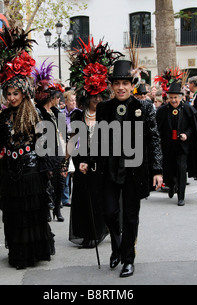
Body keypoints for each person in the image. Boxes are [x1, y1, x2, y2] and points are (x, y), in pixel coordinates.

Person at [80, 59, 163, 277]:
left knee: (130, 217)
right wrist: (88, 160)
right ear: (111, 86)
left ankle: (128, 259)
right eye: (117, 83)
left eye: (125, 83)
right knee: (109, 212)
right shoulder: (105, 108)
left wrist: (157, 169)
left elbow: (154, 138)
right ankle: (117, 245)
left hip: (134, 171)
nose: (121, 87)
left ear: (132, 84)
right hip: (110, 169)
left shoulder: (144, 107)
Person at [0, 27, 55, 269]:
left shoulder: (35, 115)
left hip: (31, 173)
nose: (12, 97)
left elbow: (46, 146)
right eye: (9, 93)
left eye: (16, 93)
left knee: (30, 214)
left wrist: (49, 169)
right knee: (14, 215)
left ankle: (31, 254)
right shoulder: (4, 117)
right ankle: (18, 252)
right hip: (11, 173)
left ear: (24, 93)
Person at [66, 38, 120, 248]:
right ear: (86, 96)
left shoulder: (108, 115)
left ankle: (100, 230)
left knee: (100, 199)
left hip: (102, 164)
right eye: (93, 97)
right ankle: (87, 232)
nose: (97, 100)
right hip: (82, 164)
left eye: (100, 96)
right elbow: (75, 141)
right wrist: (78, 161)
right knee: (83, 198)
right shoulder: (78, 116)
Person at [156, 71, 197, 206]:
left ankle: (181, 197)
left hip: (182, 146)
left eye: (176, 98)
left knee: (182, 169)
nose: (173, 100)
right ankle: (172, 185)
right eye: (171, 98)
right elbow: (157, 128)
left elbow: (192, 127)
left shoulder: (188, 109)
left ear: (181, 97)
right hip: (167, 146)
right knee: (169, 169)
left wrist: (186, 135)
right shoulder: (162, 111)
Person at [33, 61, 67, 222]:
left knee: (60, 182)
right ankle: (47, 209)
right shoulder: (39, 112)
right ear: (51, 98)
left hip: (58, 151)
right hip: (45, 151)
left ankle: (58, 209)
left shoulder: (56, 112)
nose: (58, 100)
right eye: (56, 97)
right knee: (45, 183)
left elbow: (63, 132)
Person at [61, 90, 78, 207]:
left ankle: (77, 196)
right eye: (71, 100)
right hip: (65, 146)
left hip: (77, 146)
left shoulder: (79, 113)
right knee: (65, 172)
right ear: (66, 102)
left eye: (75, 100)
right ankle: (65, 198)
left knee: (76, 172)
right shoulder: (61, 114)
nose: (73, 103)